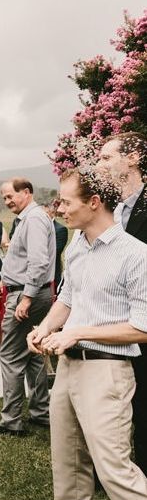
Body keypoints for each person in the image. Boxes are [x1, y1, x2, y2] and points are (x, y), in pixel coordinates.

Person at [27, 168, 147, 500]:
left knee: (113, 469)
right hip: (67, 368)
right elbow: (67, 298)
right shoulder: (76, 245)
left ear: (94, 203)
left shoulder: (136, 255)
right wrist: (45, 327)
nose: (59, 207)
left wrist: (78, 334)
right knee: (68, 466)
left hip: (108, 371)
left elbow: (142, 327)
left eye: (66, 201)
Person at [0, 177, 55, 437]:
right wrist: (4, 281)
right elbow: (21, 258)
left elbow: (38, 262)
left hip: (28, 296)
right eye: (3, 198)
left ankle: (11, 422)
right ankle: (40, 412)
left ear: (26, 192)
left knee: (11, 356)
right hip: (29, 292)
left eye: (10, 196)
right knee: (34, 355)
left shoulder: (34, 219)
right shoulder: (27, 218)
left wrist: (26, 297)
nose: (7, 201)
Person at [96, 131, 147, 475]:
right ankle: (115, 469)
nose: (99, 165)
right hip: (116, 320)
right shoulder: (114, 211)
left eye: (105, 158)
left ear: (133, 158)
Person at [42, 202, 68, 292]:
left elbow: (55, 252)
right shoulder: (36, 228)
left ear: (52, 213)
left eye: (44, 213)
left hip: (52, 274)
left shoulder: (60, 229)